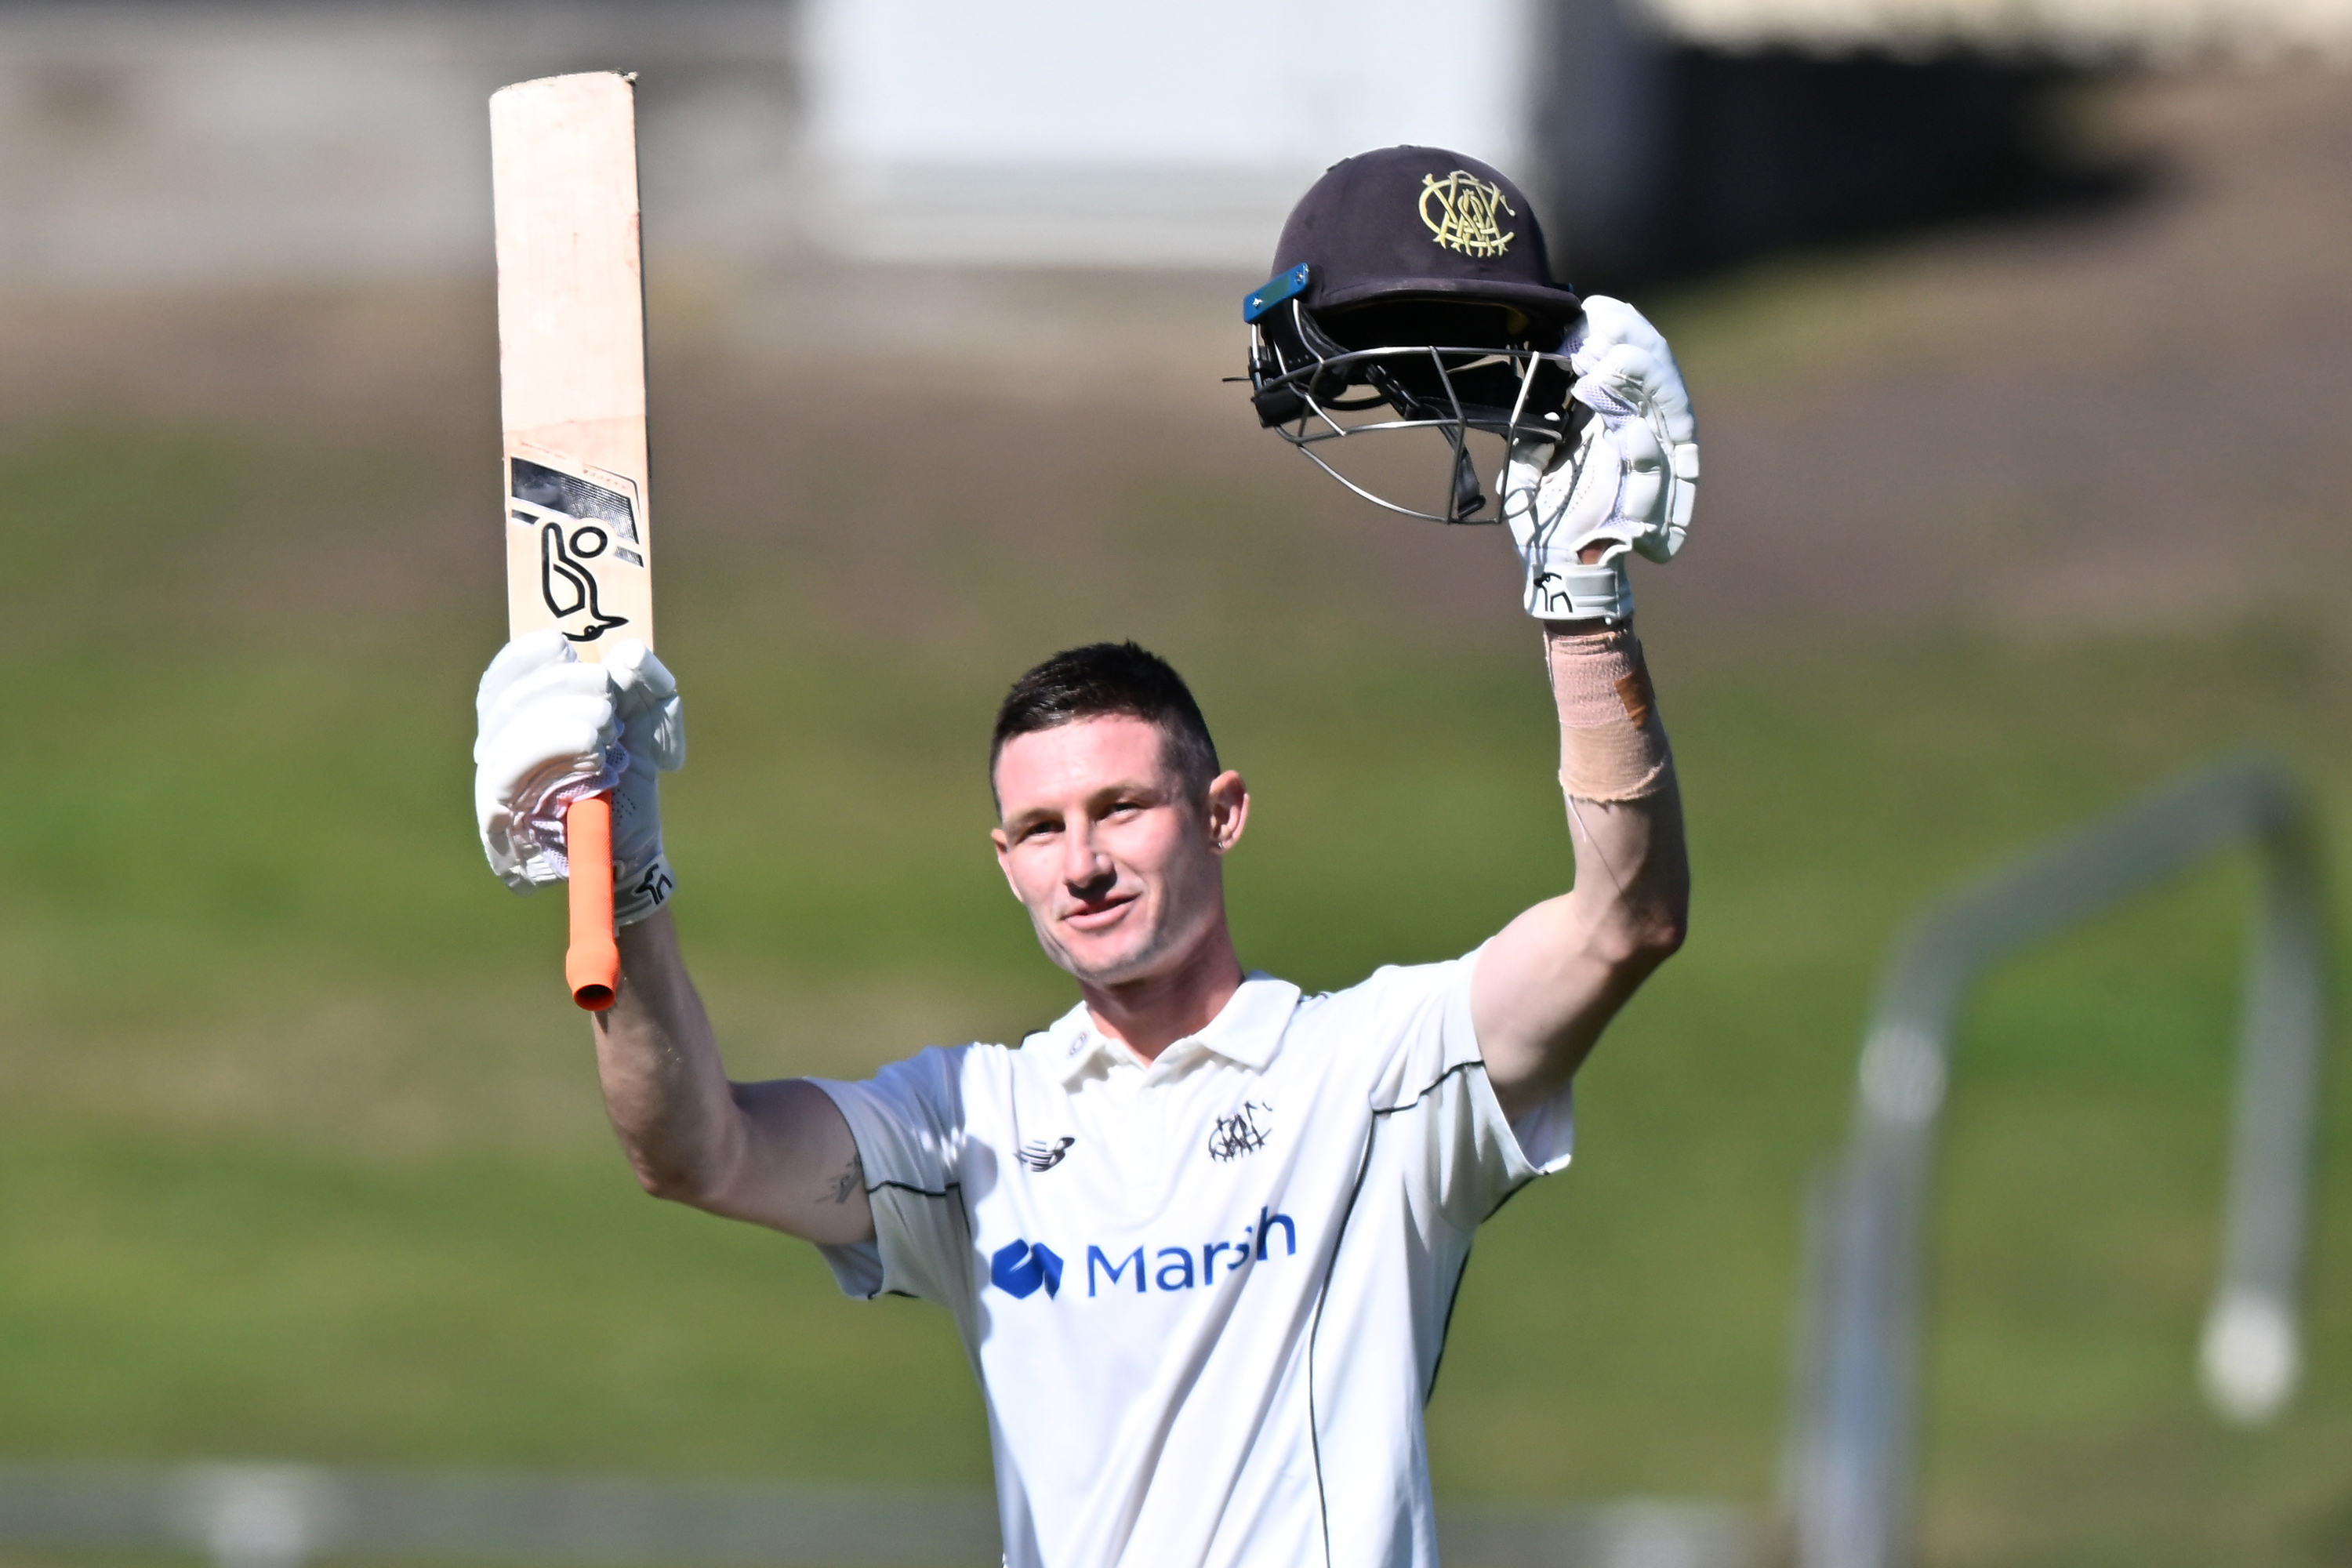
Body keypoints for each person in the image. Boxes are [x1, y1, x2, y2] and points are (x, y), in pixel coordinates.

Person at [470, 145, 1696, 1568]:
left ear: (1223, 813)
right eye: (1044, 831)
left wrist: (1585, 605)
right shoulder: (970, 1128)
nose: (1086, 863)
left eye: (1123, 810)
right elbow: (690, 1149)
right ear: (1006, 864)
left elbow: (1628, 924)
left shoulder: (1376, 1079)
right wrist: (612, 872)